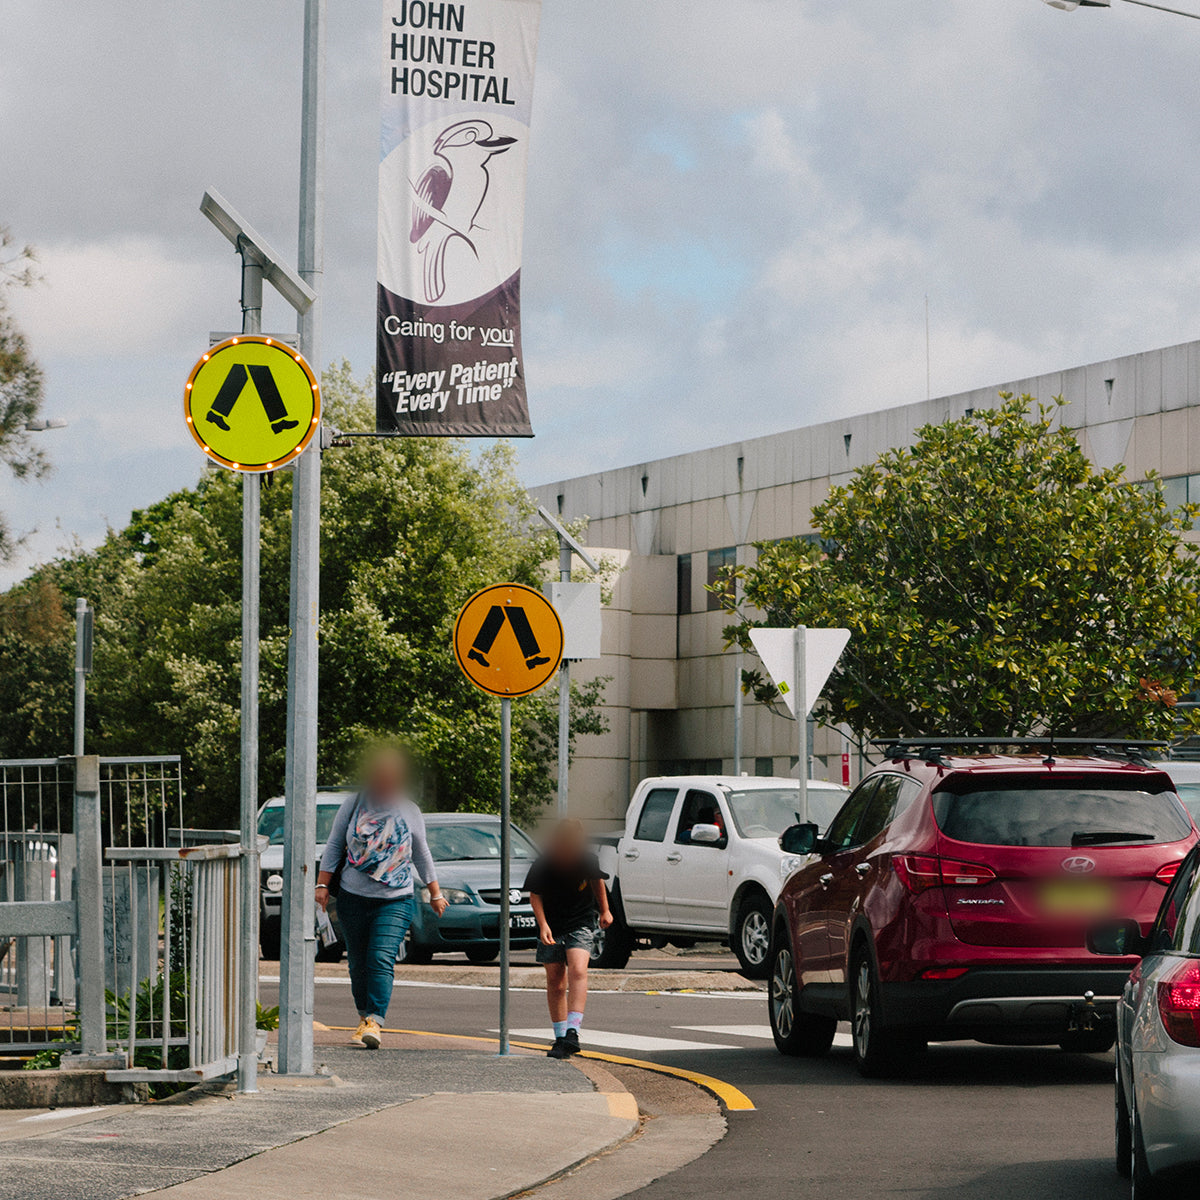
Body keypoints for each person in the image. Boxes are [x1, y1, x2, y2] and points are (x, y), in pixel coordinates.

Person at [316, 746, 448, 1049]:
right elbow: (335, 844)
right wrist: (322, 886)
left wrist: (435, 892)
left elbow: (421, 852)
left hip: (396, 898)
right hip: (352, 896)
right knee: (357, 963)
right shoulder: (353, 805)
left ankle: (375, 1020)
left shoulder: (408, 810)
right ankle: (364, 1016)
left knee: (380, 957)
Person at [525, 819, 613, 1059]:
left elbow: (598, 882)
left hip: (580, 923)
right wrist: (543, 926)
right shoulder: (544, 864)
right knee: (556, 981)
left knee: (578, 970)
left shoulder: (587, 860)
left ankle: (573, 1031)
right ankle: (561, 1037)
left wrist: (604, 910)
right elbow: (535, 896)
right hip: (552, 926)